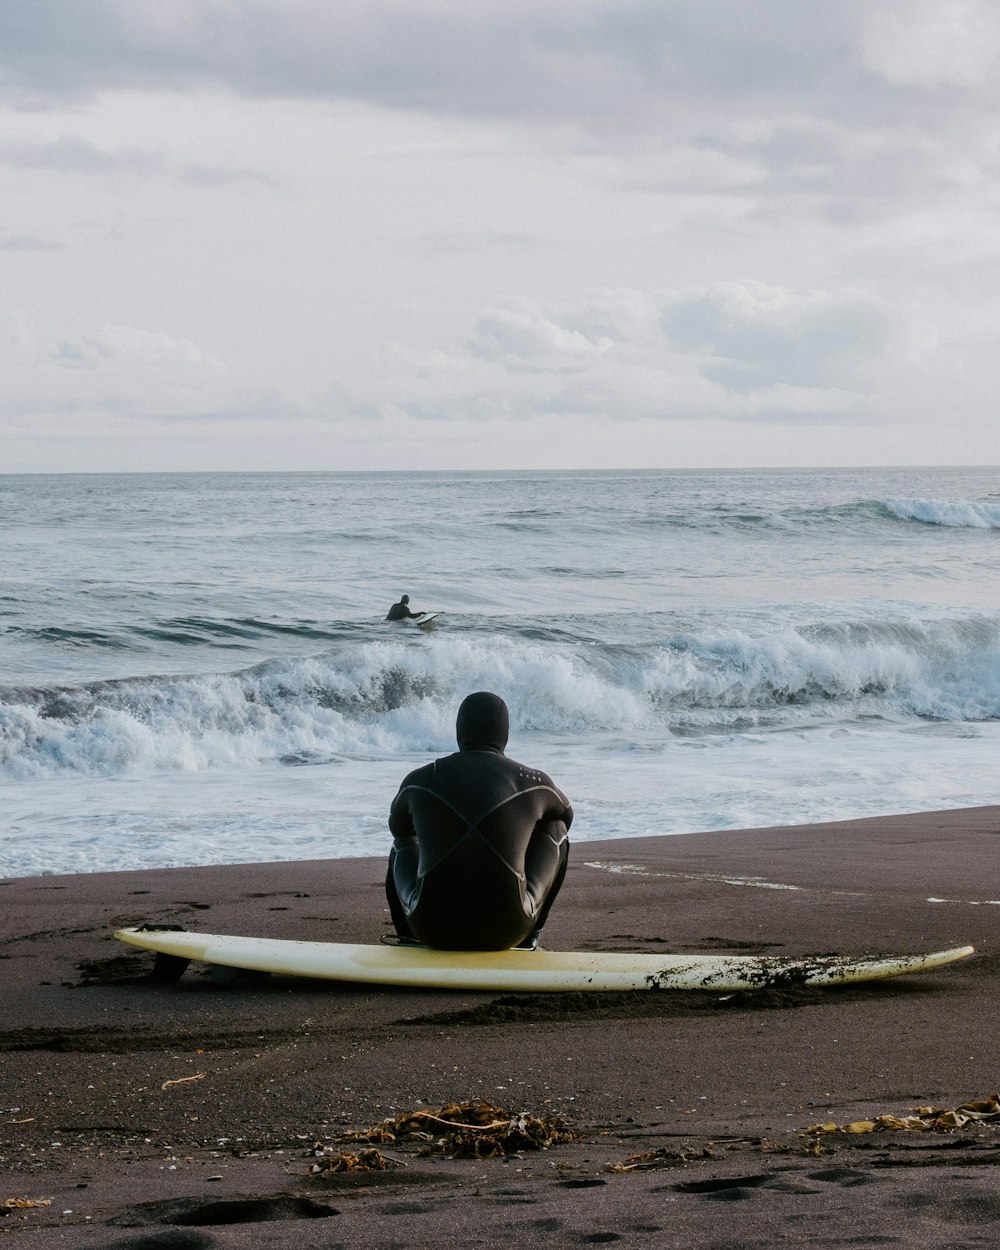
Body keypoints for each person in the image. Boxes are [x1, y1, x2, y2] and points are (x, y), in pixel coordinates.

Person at [386, 691, 573, 951]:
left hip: (431, 927)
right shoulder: (530, 780)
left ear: (459, 730)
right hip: (508, 929)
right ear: (505, 733)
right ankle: (530, 938)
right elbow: (566, 815)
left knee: (401, 842)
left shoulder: (420, 778)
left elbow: (398, 827)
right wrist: (516, 828)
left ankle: (408, 938)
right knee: (557, 830)